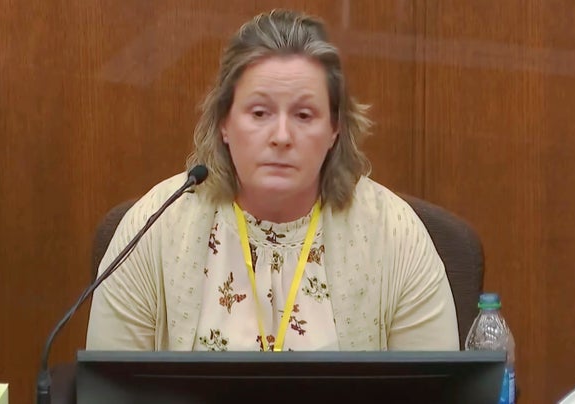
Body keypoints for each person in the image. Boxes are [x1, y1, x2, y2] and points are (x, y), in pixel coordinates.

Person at [86, 8, 458, 352]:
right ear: (225, 123)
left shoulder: (394, 235)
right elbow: (110, 388)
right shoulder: (155, 228)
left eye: (304, 115)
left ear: (334, 131)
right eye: (260, 112)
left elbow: (438, 392)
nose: (281, 136)